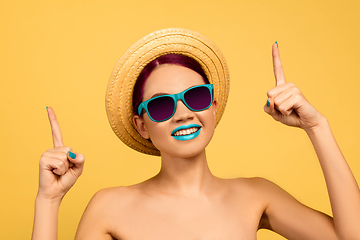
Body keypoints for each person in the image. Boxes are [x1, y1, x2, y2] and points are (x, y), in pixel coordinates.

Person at [32, 28, 360, 240]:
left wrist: (317, 127)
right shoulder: (110, 207)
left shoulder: (256, 195)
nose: (184, 112)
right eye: (162, 105)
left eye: (196, 96)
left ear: (213, 106)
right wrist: (48, 200)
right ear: (142, 125)